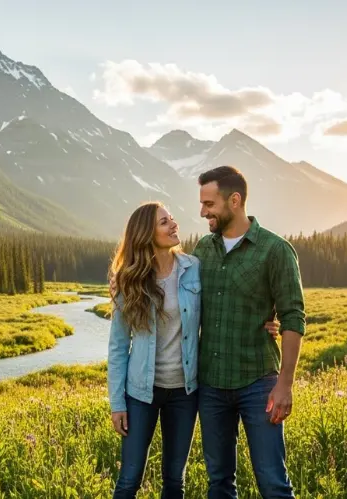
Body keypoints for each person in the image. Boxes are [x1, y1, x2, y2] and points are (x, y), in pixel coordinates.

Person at [107, 202, 280, 499]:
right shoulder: (129, 281)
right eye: (164, 222)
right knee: (129, 480)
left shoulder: (193, 267)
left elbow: (227, 298)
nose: (174, 224)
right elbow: (119, 347)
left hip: (184, 393)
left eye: (172, 218)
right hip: (139, 393)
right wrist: (117, 403)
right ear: (146, 233)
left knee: (175, 480)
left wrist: (266, 320)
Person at [193, 166, 306, 499]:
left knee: (273, 482)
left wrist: (285, 385)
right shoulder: (203, 249)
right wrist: (124, 279)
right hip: (210, 385)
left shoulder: (275, 250)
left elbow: (293, 317)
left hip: (259, 384)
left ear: (235, 200)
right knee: (219, 482)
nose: (203, 212)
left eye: (209, 204)